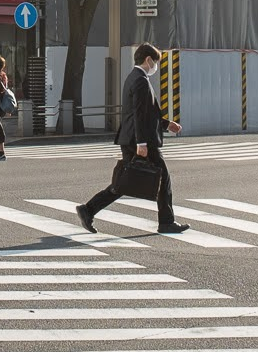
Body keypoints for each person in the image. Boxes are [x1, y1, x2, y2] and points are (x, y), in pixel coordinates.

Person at [77, 43, 189, 234]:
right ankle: (166, 222)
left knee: (126, 181)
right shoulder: (140, 80)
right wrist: (141, 143)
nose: (156, 66)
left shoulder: (133, 77)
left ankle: (89, 209)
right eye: (156, 62)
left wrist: (166, 124)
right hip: (139, 140)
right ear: (148, 60)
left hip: (131, 138)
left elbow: (145, 112)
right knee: (162, 177)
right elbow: (139, 113)